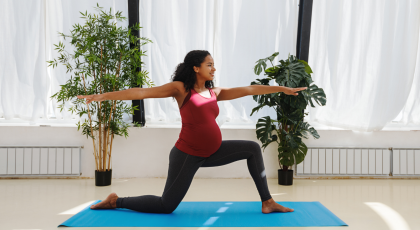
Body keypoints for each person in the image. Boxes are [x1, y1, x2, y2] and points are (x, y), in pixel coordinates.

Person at [77, 50, 306, 214]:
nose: (213, 68)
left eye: (213, 64)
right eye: (209, 64)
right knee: (166, 206)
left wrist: (281, 89)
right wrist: (103, 96)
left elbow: (248, 89)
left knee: (252, 148)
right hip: (187, 154)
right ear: (196, 67)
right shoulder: (181, 89)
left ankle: (267, 201)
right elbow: (142, 93)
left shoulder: (214, 92)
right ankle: (116, 201)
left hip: (212, 151)